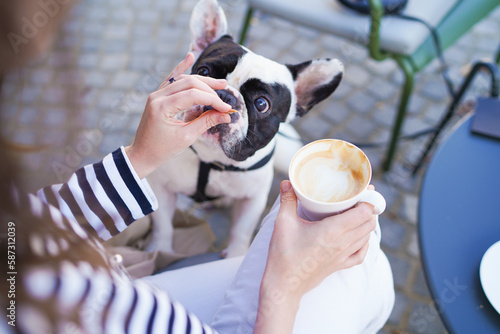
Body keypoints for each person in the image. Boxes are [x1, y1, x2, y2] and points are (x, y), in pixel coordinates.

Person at [0, 1, 393, 333]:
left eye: (259, 104)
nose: (222, 103)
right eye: (207, 74)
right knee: (362, 265)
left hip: (99, 275)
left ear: (298, 104)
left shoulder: (15, 242)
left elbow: (25, 232)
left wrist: (140, 155)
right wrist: (284, 286)